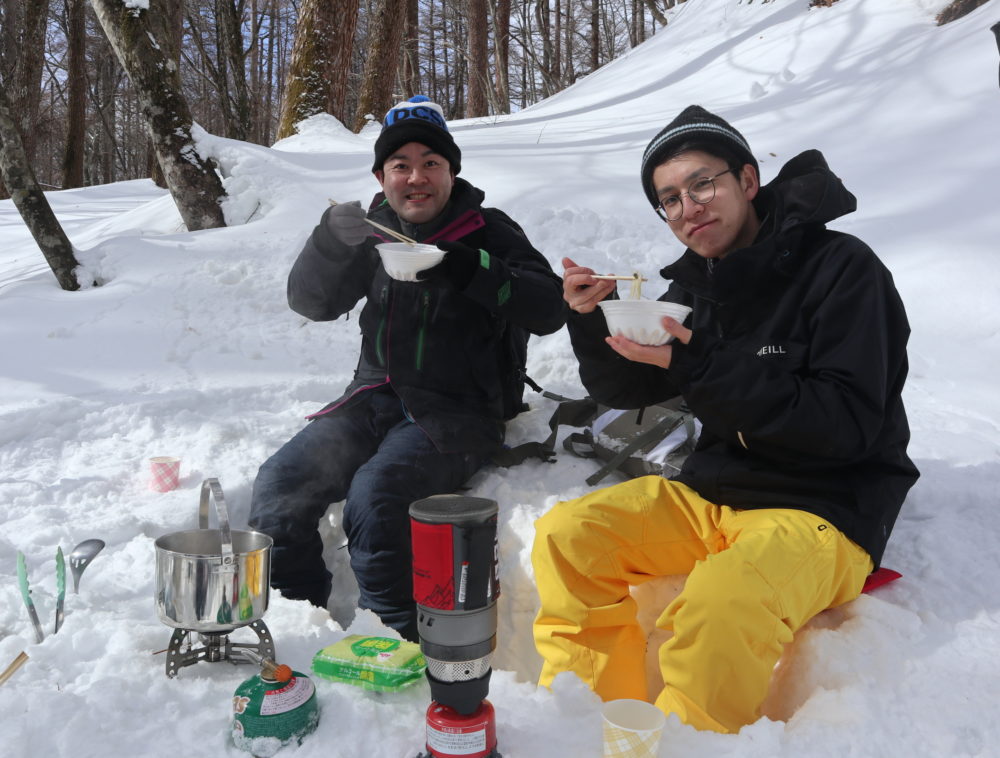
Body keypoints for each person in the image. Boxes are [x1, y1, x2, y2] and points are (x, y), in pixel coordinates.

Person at [531, 105, 919, 733]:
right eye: (670, 199)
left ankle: (684, 745)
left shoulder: (843, 270)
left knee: (720, 600)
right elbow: (629, 389)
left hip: (822, 507)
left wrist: (700, 363)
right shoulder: (695, 288)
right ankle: (584, 727)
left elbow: (844, 425)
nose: (689, 208)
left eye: (702, 183)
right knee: (567, 538)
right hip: (713, 494)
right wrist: (589, 321)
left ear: (747, 180)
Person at [250, 96, 566, 641]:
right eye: (401, 165)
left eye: (431, 163)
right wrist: (329, 241)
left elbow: (548, 308)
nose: (416, 177)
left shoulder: (488, 229)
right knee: (279, 484)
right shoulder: (370, 232)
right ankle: (305, 620)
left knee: (377, 499)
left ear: (451, 171)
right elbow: (311, 304)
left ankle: (393, 637)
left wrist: (468, 267)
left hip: (457, 413)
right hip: (371, 398)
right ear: (381, 176)